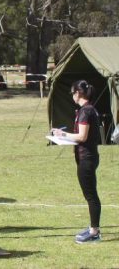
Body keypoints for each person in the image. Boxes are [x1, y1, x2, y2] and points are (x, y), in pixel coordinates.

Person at [51, 80, 102, 243]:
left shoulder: (85, 111)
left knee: (91, 195)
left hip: (86, 158)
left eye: (72, 93)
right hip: (89, 156)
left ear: (78, 93)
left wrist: (62, 135)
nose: (72, 96)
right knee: (90, 194)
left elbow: (82, 136)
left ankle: (94, 232)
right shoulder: (88, 110)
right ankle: (93, 228)